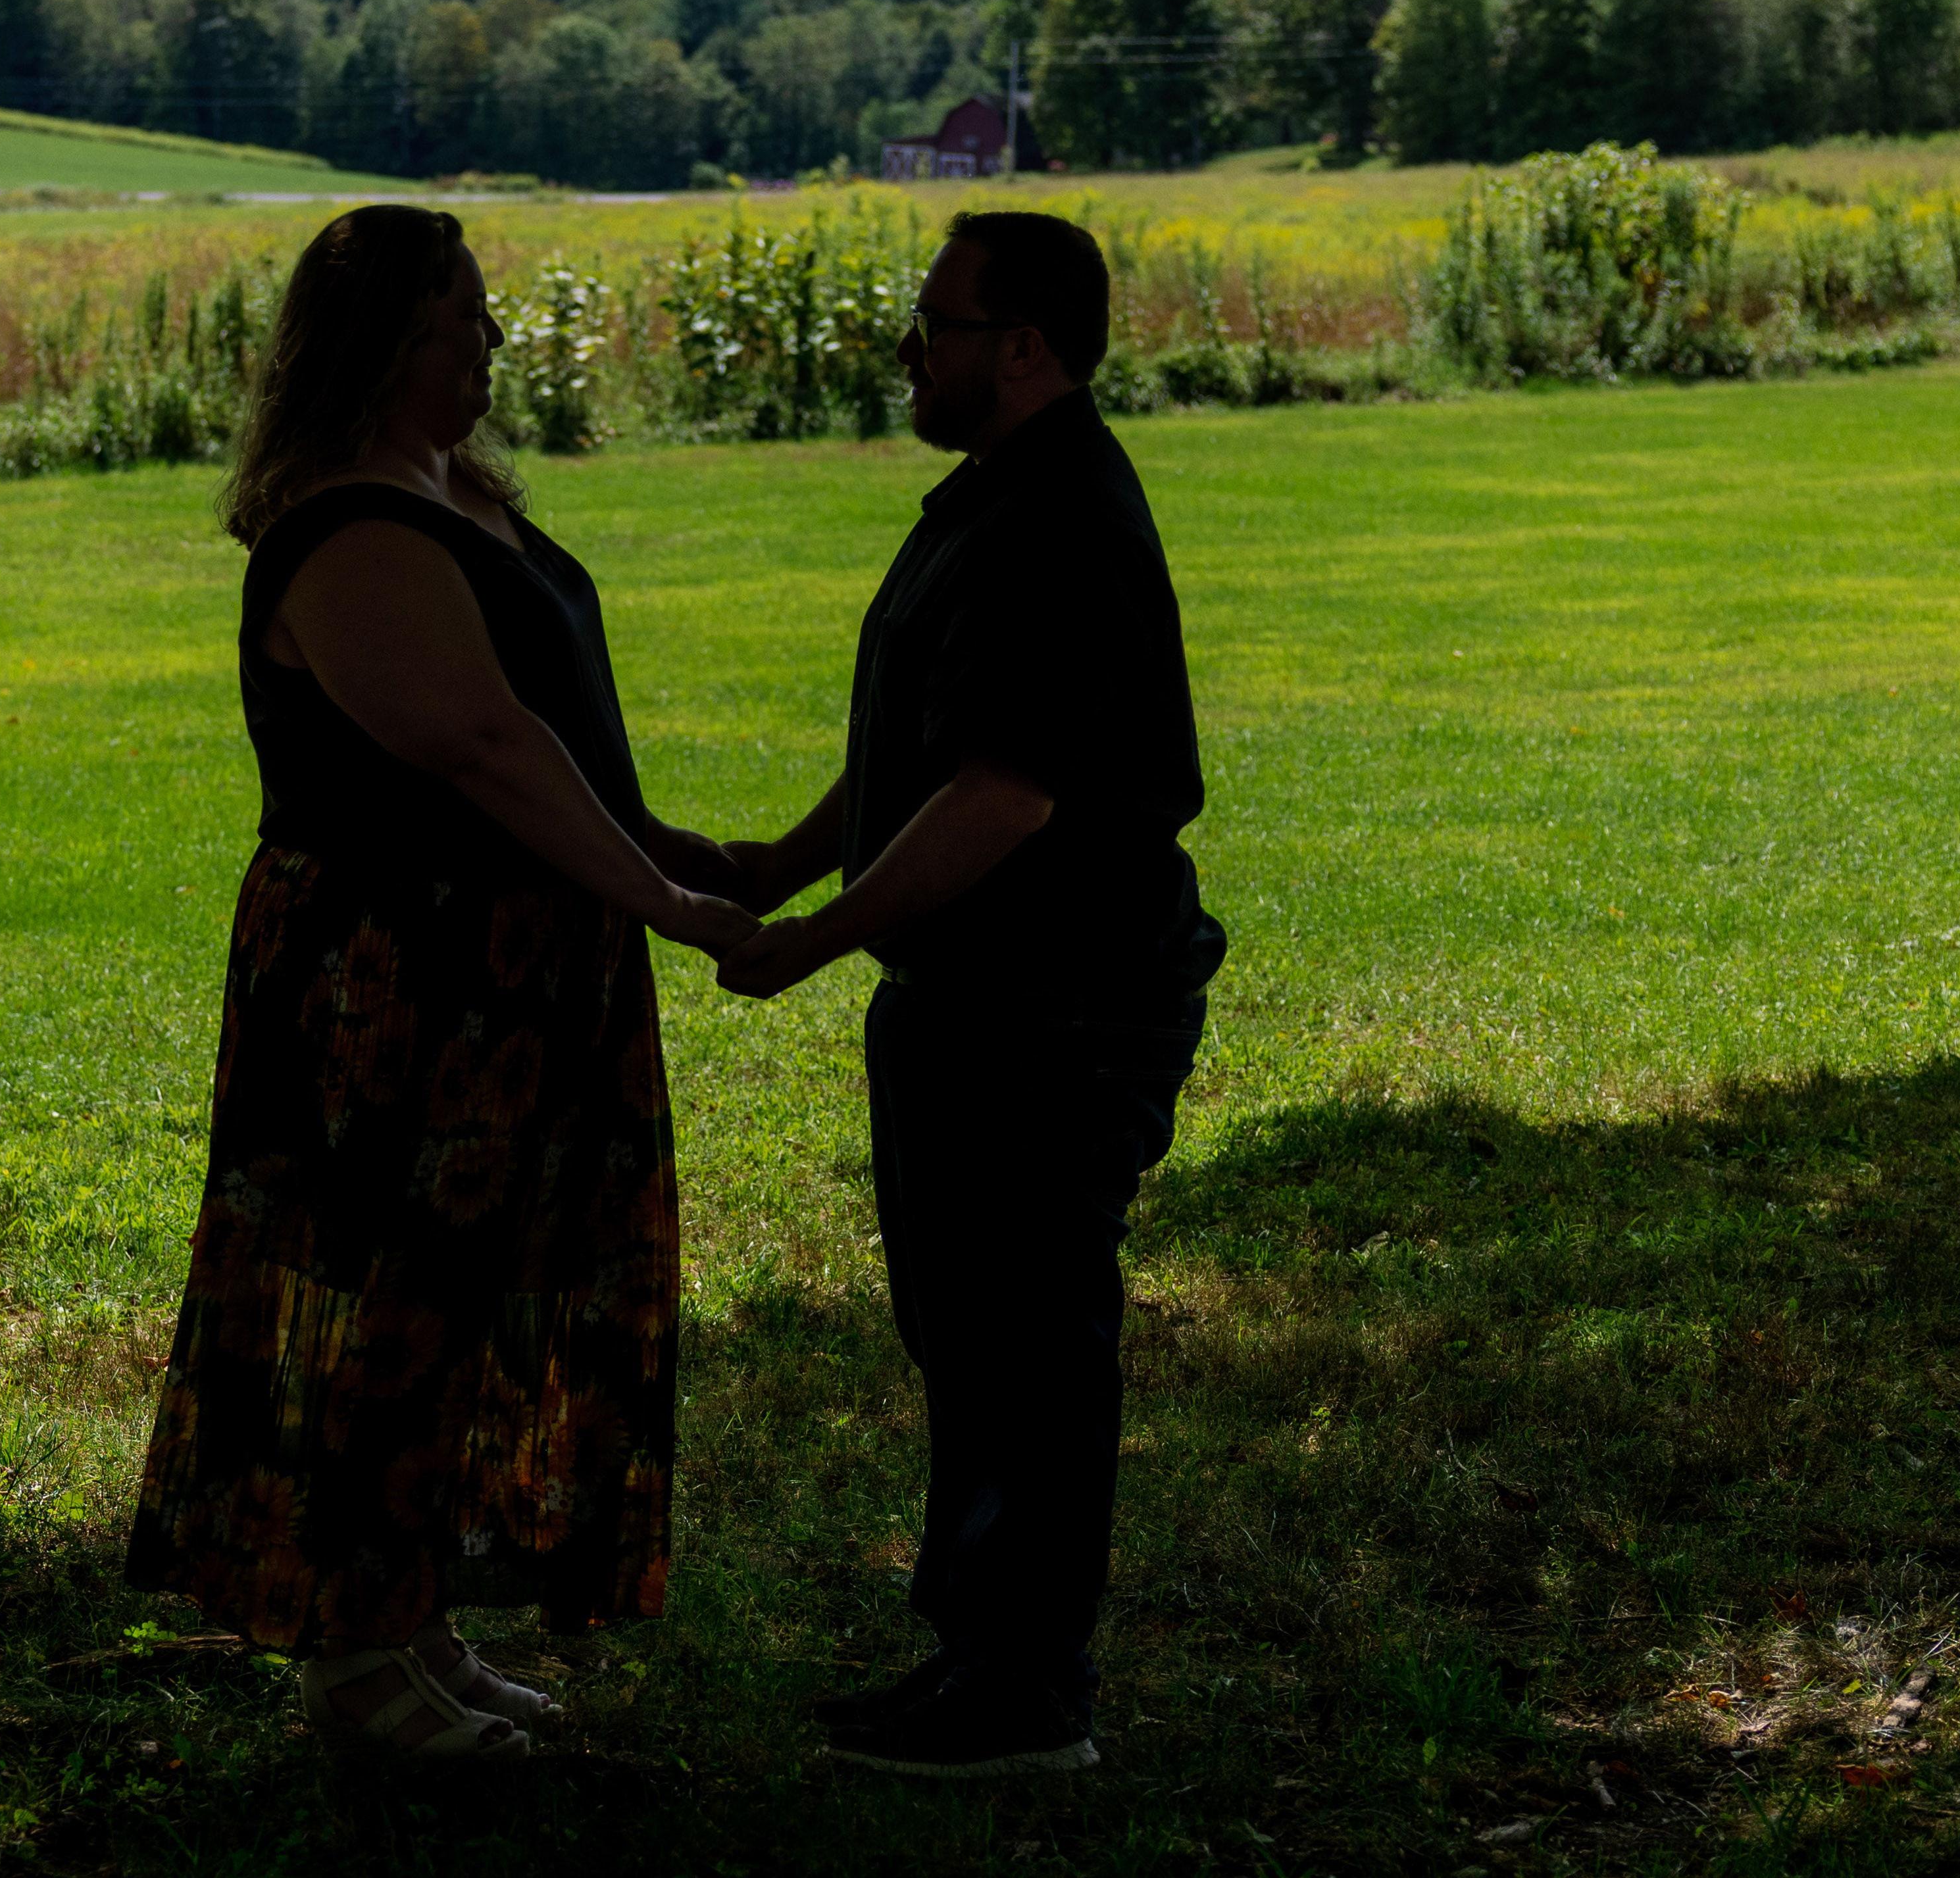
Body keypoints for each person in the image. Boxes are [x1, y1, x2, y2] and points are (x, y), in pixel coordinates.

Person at [130, 204, 761, 1759]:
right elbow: (477, 745)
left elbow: (553, 727)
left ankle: (406, 1626)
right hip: (397, 980)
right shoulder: (350, 531)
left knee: (475, 1294)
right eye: (462, 317)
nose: (491, 340)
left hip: (513, 964)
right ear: (385, 343)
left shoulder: (448, 490)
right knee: (390, 1301)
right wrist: (667, 896)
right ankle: (353, 1667)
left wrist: (660, 851)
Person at [711, 210, 1217, 1779]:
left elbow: (1004, 794)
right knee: (977, 1335)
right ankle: (982, 1656)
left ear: (1024, 346)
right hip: (977, 1001)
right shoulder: (996, 499)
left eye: (937, 323)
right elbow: (922, 754)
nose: (910, 349)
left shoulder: (1054, 516)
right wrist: (775, 862)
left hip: (1055, 1005)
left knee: (1026, 1342)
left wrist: (815, 936)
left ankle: (1026, 1694)